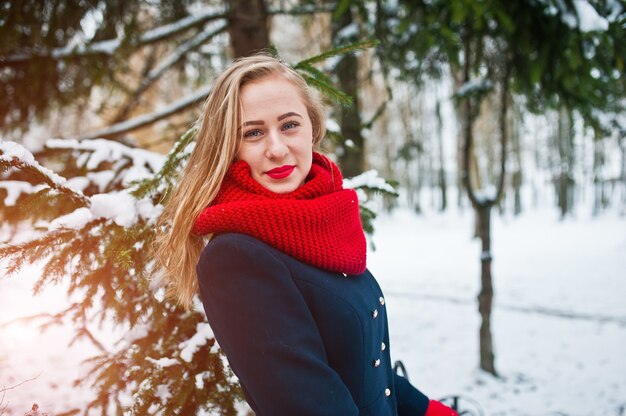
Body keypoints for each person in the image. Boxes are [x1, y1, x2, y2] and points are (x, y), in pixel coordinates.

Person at [156, 53, 458, 416]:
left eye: (289, 125)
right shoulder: (235, 259)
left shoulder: (327, 222)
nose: (277, 149)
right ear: (228, 147)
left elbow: (362, 370)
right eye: (253, 133)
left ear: (312, 128)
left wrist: (430, 411)